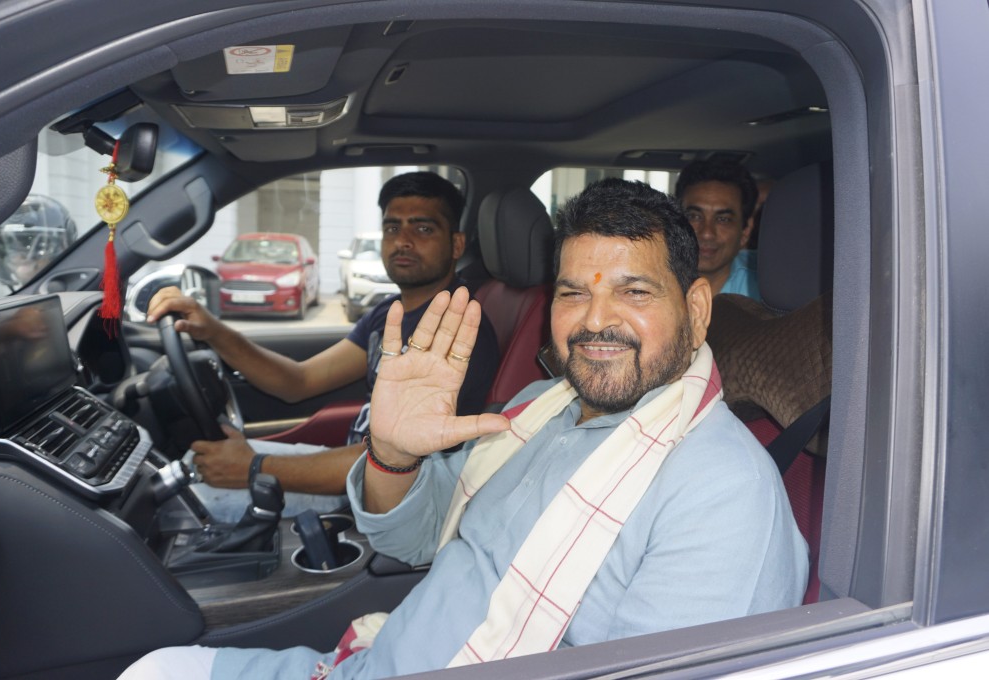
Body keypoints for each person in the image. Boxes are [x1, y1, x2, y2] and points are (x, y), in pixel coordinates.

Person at [122, 178, 807, 679]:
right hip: (370, 660)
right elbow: (418, 536)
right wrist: (391, 460)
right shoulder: (542, 405)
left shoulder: (724, 498)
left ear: (694, 306)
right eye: (574, 291)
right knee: (151, 669)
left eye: (633, 291)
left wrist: (257, 467)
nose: (595, 320)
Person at [145, 171, 500, 522]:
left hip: (382, 492)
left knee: (182, 501)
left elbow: (410, 459)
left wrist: (253, 467)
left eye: (423, 229)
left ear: (456, 244)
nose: (403, 240)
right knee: (193, 467)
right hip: (350, 464)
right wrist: (213, 331)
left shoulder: (457, 332)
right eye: (393, 228)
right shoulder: (388, 314)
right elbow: (298, 382)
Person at [675, 159, 761, 300]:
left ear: (745, 230)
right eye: (694, 216)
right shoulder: (647, 281)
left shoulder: (766, 292)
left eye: (723, 219)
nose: (707, 233)